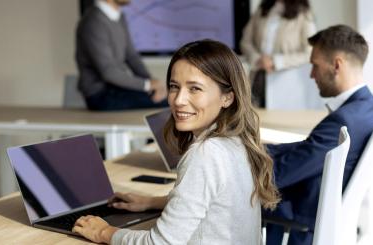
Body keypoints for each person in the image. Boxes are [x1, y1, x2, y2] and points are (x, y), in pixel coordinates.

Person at [72, 40, 280, 244]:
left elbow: (160, 243)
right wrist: (151, 202)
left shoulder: (205, 153)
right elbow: (213, 201)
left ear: (228, 97)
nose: (178, 100)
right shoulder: (236, 140)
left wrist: (105, 233)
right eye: (174, 86)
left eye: (194, 89)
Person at [264, 25, 373, 245]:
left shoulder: (343, 122)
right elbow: (309, 149)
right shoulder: (371, 107)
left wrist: (237, 162)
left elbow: (281, 174)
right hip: (322, 211)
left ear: (336, 65)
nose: (312, 75)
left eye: (315, 65)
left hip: (302, 221)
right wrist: (259, 149)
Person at [76, 0, 167, 111]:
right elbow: (108, 73)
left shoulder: (119, 17)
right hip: (100, 95)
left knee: (169, 95)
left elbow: (131, 56)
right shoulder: (93, 21)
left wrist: (153, 84)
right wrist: (148, 85)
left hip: (117, 89)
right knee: (171, 100)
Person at [240, 0, 316, 107]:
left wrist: (276, 61)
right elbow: (245, 41)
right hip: (258, 77)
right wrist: (258, 59)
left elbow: (310, 51)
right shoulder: (262, 9)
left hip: (286, 81)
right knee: (254, 116)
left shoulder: (303, 13)